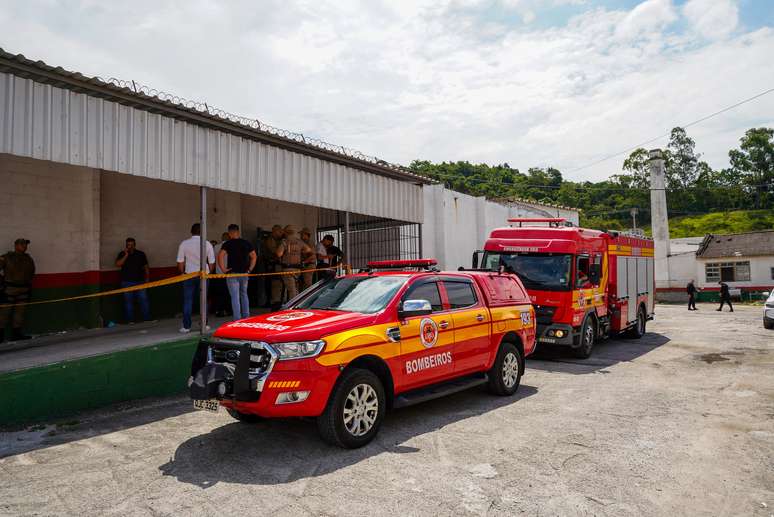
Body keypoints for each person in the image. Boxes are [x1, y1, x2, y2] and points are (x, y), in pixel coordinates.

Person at [176, 223, 215, 333]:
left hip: (189, 275)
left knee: (187, 301)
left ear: (191, 231)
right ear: (202, 232)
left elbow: (180, 262)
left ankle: (186, 326)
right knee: (204, 301)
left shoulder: (184, 244)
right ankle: (204, 324)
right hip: (203, 276)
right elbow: (212, 263)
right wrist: (208, 273)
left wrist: (183, 272)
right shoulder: (207, 244)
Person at [218, 224, 257, 321]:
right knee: (244, 294)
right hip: (244, 273)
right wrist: (250, 269)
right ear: (238, 232)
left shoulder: (227, 243)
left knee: (235, 296)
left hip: (232, 273)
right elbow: (254, 256)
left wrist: (223, 269)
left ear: (229, 233)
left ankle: (237, 318)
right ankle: (246, 316)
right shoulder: (246, 243)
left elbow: (220, 256)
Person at [0, 238, 35, 342]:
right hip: (9, 289)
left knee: (19, 313)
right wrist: (2, 283)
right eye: (22, 244)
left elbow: (31, 272)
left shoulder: (28, 258)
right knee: (4, 313)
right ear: (16, 245)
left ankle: (16, 334)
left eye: (25, 244)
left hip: (24, 289)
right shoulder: (6, 257)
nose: (24, 246)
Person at [115, 237, 151, 323]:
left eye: (131, 245)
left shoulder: (141, 254)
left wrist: (147, 278)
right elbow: (118, 264)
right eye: (128, 245)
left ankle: (147, 319)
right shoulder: (122, 254)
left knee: (143, 300)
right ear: (126, 245)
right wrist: (126, 255)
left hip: (140, 281)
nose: (130, 246)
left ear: (135, 245)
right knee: (128, 302)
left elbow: (146, 267)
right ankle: (130, 320)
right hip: (126, 282)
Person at [276, 225, 313, 302]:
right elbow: (309, 250)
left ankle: (293, 306)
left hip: (288, 269)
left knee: (291, 290)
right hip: (297, 269)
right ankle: (297, 304)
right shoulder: (299, 242)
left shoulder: (285, 242)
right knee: (295, 288)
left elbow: (279, 254)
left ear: (286, 232)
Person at [262, 225, 285, 311]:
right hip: (271, 264)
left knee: (278, 284)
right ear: (274, 231)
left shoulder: (279, 240)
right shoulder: (270, 240)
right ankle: (272, 302)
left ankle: (278, 302)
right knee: (273, 284)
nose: (280, 233)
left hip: (277, 264)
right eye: (279, 232)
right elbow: (274, 252)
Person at [212, 232, 230, 317]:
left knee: (219, 293)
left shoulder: (216, 247)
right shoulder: (231, 247)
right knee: (228, 293)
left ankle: (219, 310)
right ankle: (228, 310)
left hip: (218, 273)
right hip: (228, 273)